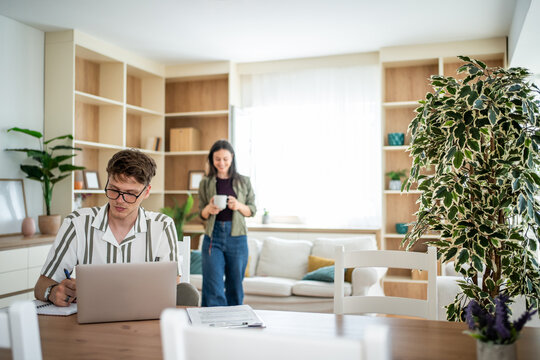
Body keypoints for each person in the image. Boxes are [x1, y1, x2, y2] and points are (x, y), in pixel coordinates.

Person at [34, 149, 180, 306]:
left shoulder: (162, 226)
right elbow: (41, 286)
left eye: (131, 193)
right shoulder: (77, 223)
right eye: (114, 189)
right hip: (89, 324)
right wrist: (52, 292)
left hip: (143, 322)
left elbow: (172, 288)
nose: (120, 200)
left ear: (146, 192)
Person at [198, 140, 256, 306]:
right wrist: (209, 208)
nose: (221, 163)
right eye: (217, 159)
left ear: (232, 158)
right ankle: (213, 327)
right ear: (212, 159)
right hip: (212, 237)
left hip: (237, 238)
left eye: (225, 158)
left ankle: (235, 327)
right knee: (212, 285)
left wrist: (238, 205)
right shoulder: (205, 182)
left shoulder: (244, 181)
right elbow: (201, 213)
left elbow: (252, 210)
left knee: (235, 286)